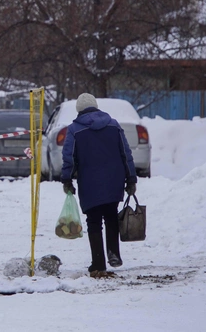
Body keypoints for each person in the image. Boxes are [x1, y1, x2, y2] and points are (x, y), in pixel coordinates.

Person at [61, 93, 137, 278]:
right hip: (114, 179)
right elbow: (125, 153)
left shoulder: (74, 130)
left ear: (79, 110)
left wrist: (67, 179)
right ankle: (113, 254)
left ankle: (98, 264)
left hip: (89, 181)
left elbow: (68, 157)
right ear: (96, 106)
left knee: (94, 221)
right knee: (111, 216)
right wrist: (131, 178)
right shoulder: (113, 125)